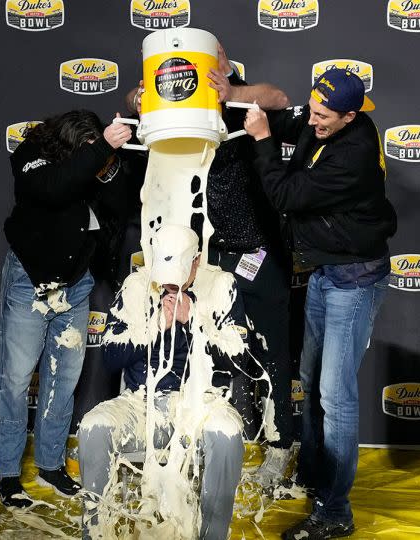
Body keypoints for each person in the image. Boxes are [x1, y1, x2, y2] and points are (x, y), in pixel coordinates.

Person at [126, 41, 297, 485]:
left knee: (272, 355)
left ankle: (279, 449)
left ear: (225, 63)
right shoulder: (179, 110)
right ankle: (216, 446)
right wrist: (138, 98)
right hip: (212, 258)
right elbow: (132, 101)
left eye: (215, 60)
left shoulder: (243, 103)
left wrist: (231, 93)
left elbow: (280, 98)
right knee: (213, 353)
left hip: (259, 253)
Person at [243, 68, 396, 539]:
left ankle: (335, 511)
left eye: (323, 115)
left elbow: (285, 195)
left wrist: (264, 140)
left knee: (336, 397)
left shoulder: (354, 154)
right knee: (309, 380)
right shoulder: (326, 120)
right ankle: (312, 476)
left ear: (351, 116)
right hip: (325, 273)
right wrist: (235, 95)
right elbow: (289, 116)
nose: (312, 121)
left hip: (354, 279)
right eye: (312, 109)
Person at [0, 110, 132, 507]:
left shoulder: (95, 162)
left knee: (63, 379)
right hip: (30, 280)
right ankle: (6, 473)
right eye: (86, 151)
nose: (92, 159)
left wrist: (107, 163)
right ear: (69, 142)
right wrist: (100, 148)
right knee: (16, 380)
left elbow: (120, 204)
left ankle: (51, 465)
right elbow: (52, 188)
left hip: (77, 282)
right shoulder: (32, 151)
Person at [78, 224, 248, 540]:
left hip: (203, 402)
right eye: (165, 279)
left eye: (178, 278)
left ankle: (213, 535)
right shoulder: (136, 286)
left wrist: (194, 320)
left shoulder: (222, 285)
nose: (170, 287)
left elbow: (238, 361)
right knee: (93, 427)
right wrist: (155, 326)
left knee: (227, 434)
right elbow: (111, 357)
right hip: (141, 400)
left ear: (196, 261)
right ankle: (95, 534)